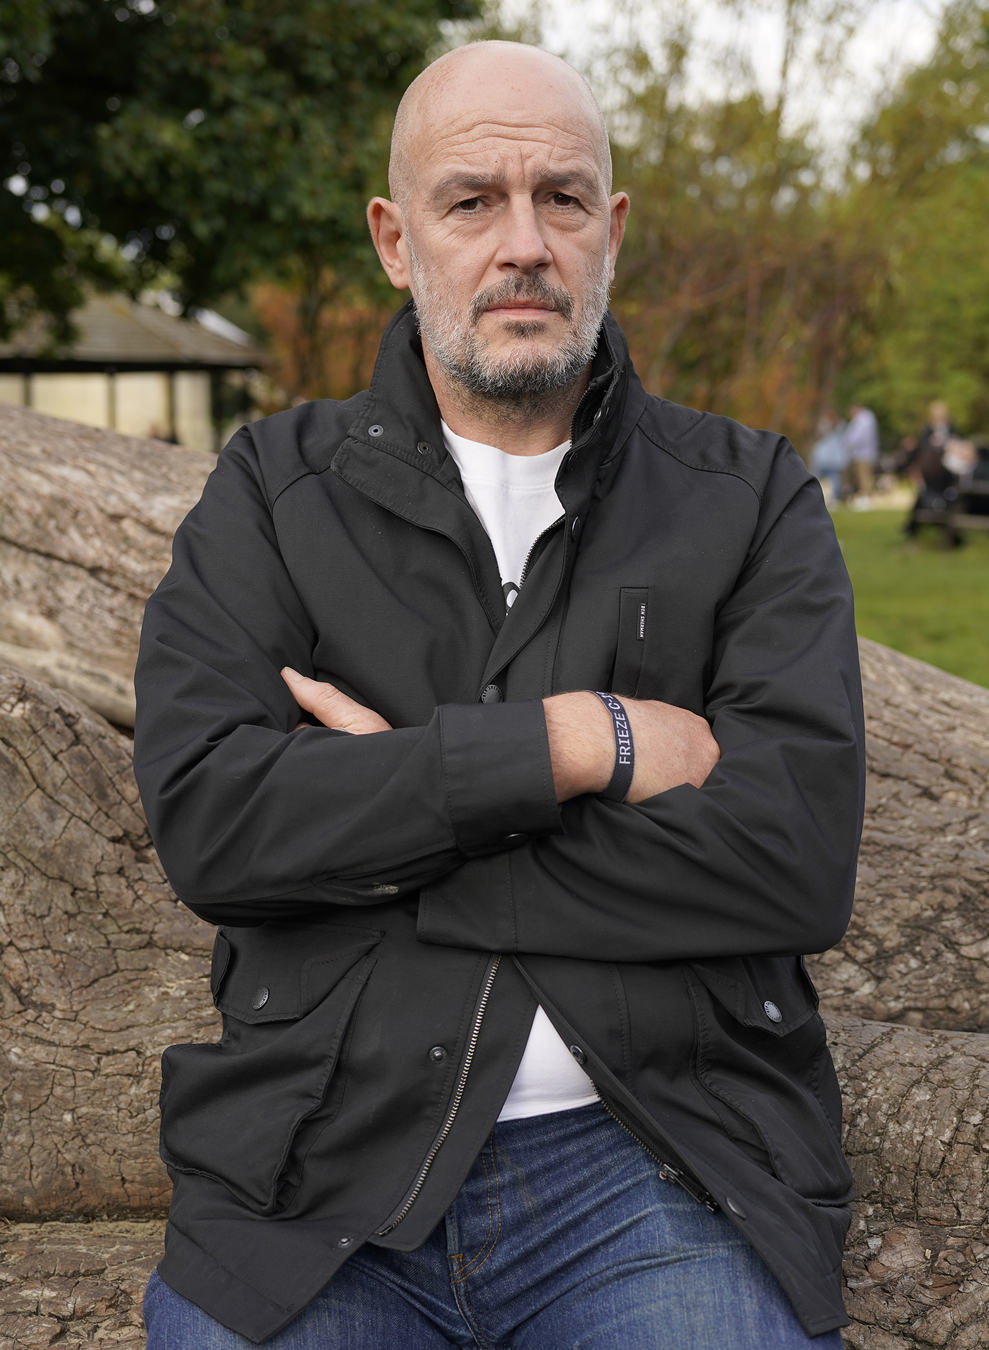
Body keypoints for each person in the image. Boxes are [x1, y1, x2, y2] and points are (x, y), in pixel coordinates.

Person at [134, 41, 864, 1350]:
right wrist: (577, 741)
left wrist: (392, 803)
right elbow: (215, 823)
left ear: (611, 229)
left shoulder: (748, 495)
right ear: (396, 238)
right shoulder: (272, 492)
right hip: (320, 1181)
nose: (523, 242)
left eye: (562, 199)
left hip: (663, 1170)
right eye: (472, 200)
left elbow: (791, 855)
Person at [808, 409, 848, 507]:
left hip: (834, 458)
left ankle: (834, 498)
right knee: (816, 478)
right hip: (822, 457)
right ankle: (813, 498)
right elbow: (818, 435)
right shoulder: (823, 423)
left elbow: (844, 437)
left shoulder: (841, 424)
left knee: (835, 480)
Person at [842, 403, 879, 504]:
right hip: (859, 453)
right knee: (859, 476)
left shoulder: (865, 419)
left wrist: (848, 443)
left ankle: (867, 498)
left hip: (864, 453)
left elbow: (859, 437)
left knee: (864, 476)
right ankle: (863, 496)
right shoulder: (862, 418)